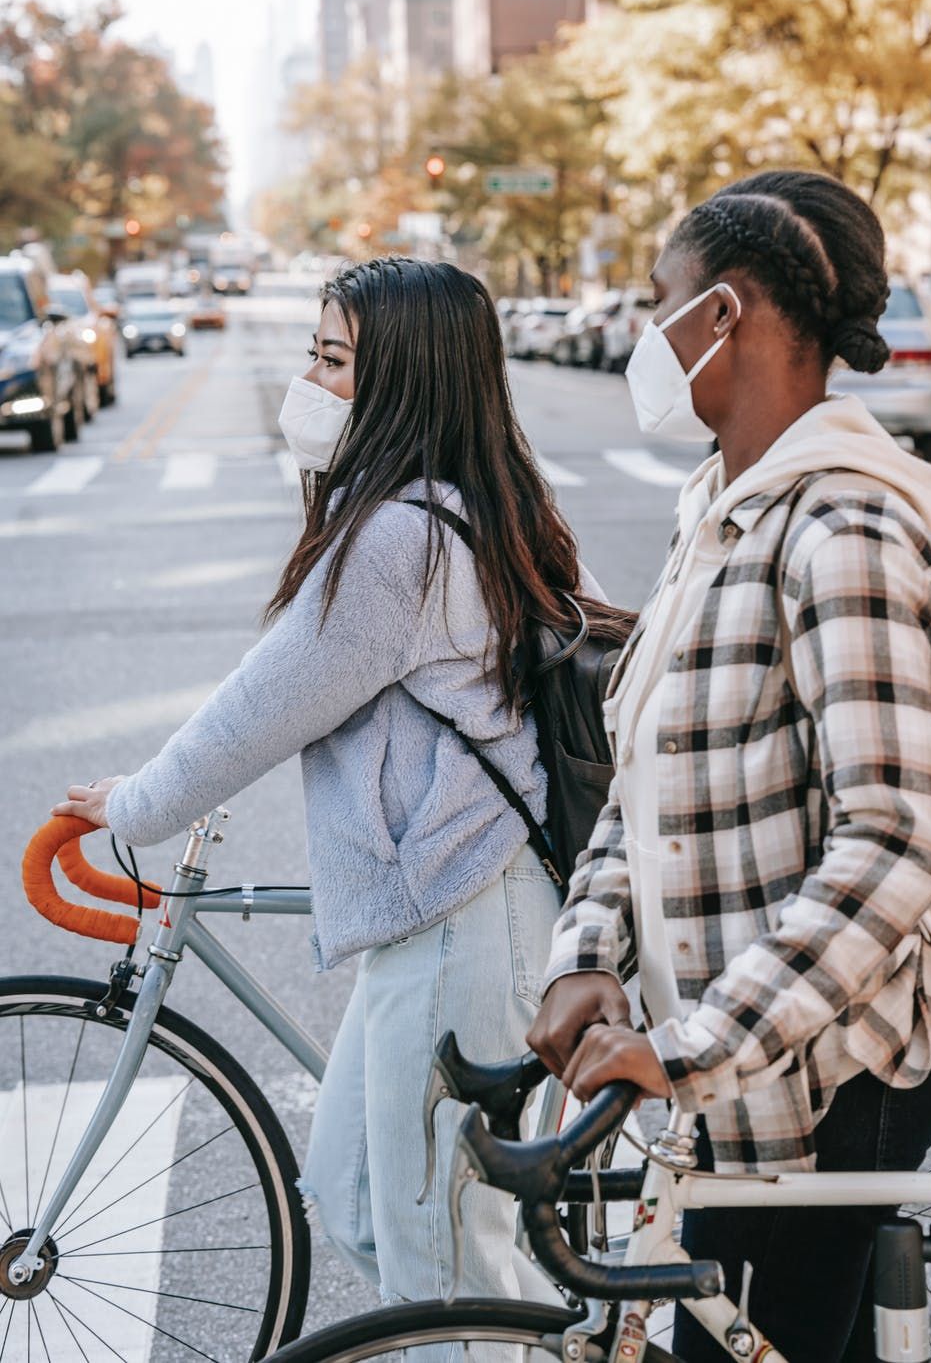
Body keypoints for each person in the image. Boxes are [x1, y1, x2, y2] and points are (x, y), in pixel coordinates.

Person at [54, 256, 630, 1329]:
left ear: (403, 383)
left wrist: (130, 806)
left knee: (441, 1266)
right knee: (359, 1203)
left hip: (467, 921)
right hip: (451, 915)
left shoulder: (400, 542)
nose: (308, 383)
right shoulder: (473, 503)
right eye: (311, 354)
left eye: (332, 360)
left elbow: (260, 708)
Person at [528, 170, 931, 1362]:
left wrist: (688, 1049)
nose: (638, 330)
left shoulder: (844, 528)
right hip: (715, 1071)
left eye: (654, 299)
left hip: (825, 1078)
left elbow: (898, 839)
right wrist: (584, 958)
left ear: (720, 314)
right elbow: (643, 775)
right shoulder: (716, 512)